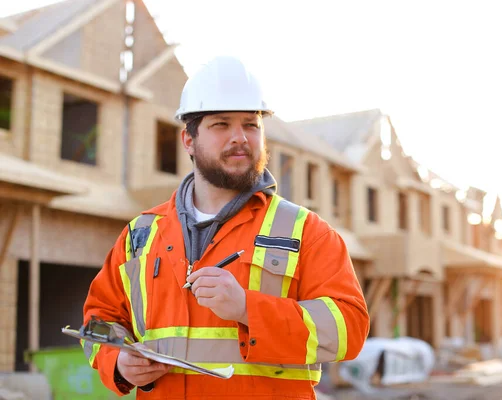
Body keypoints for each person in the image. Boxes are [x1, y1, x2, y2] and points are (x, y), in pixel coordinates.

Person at [81, 55, 369, 399]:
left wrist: (248, 308)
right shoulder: (140, 236)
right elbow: (97, 322)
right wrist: (119, 362)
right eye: (221, 125)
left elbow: (349, 329)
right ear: (188, 140)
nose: (241, 137)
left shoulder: (305, 231)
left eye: (251, 124)